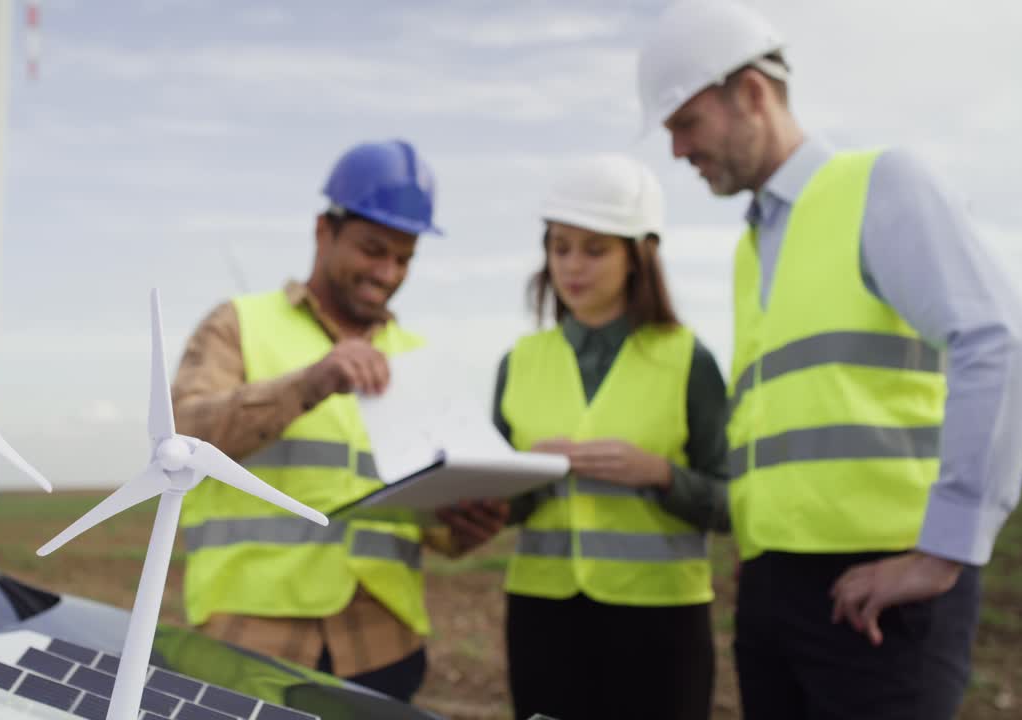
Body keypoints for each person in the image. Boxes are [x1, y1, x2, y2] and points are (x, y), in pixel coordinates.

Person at [637, 2, 1022, 718]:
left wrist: (944, 551)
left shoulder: (881, 184)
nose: (678, 150)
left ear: (752, 92)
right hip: (775, 591)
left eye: (686, 124)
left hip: (882, 595)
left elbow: (996, 341)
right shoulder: (751, 248)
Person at [170, 139, 508, 703]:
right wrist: (308, 383)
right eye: (373, 250)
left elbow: (424, 516)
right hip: (252, 638)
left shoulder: (417, 357)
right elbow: (181, 438)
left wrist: (462, 527)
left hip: (384, 645)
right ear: (324, 231)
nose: (387, 273)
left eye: (404, 259)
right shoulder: (238, 325)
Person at [492, 153, 731, 720]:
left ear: (637, 257)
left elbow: (731, 503)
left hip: (660, 624)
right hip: (544, 619)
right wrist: (524, 477)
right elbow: (497, 508)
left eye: (595, 250)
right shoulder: (519, 361)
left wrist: (660, 475)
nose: (572, 266)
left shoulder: (689, 360)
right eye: (560, 248)